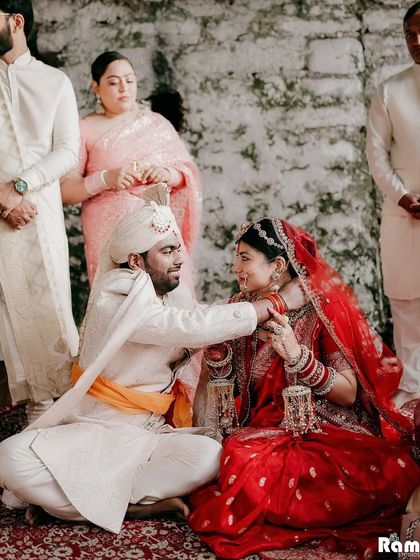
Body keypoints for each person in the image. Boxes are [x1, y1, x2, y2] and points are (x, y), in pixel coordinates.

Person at [0, 187, 305, 533]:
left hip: (147, 434)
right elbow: (186, 327)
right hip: (94, 428)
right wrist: (272, 305)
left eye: (178, 249)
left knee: (209, 457)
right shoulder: (115, 294)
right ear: (135, 261)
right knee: (9, 460)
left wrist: (251, 312)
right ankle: (130, 507)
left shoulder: (172, 292)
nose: (179, 259)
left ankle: (72, 504)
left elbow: (199, 319)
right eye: (167, 251)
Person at [189, 218, 420, 559]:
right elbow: (230, 386)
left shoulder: (321, 309)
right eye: (236, 257)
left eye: (245, 257)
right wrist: (218, 359)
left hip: (324, 431)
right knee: (235, 455)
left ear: (278, 265)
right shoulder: (241, 309)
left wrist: (297, 356)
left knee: (390, 472)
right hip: (262, 432)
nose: (235, 266)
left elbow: (348, 392)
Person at [60, 50, 201, 291]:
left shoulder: (156, 123)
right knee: (120, 300)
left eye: (130, 80)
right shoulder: (83, 129)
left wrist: (167, 174)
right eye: (114, 82)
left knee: (169, 301)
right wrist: (105, 179)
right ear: (96, 87)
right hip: (110, 231)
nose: (124, 88)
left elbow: (186, 174)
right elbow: (65, 191)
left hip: (157, 227)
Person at [0, 1, 79, 421]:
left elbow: (67, 149)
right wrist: (3, 200)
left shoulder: (53, 82)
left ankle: (43, 427)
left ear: (16, 21)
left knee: (47, 320)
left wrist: (20, 186)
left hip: (38, 218)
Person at [366, 1, 420, 408]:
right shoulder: (390, 90)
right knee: (407, 309)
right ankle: (412, 400)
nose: (416, 42)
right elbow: (375, 153)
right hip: (406, 218)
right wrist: (401, 194)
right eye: (409, 35)